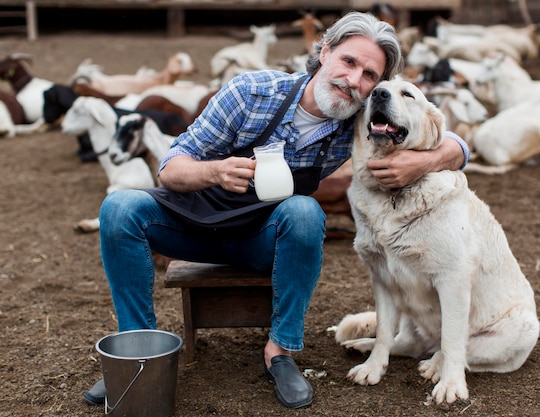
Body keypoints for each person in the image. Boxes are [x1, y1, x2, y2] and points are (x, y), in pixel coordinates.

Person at [83, 11, 470, 409]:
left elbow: (454, 140)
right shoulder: (251, 91)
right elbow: (170, 168)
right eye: (349, 62)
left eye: (369, 75)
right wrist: (214, 170)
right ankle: (136, 354)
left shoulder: (356, 116)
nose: (354, 80)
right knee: (119, 207)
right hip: (193, 227)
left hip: (260, 240)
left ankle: (280, 352)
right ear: (324, 52)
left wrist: (423, 162)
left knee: (304, 212)